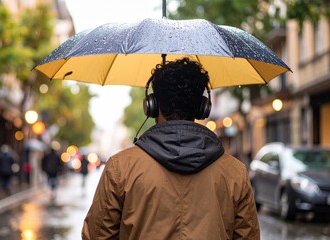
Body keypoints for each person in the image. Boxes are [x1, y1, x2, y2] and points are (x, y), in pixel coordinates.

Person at [82, 58, 260, 239]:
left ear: (151, 105)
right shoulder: (235, 172)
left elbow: (97, 236)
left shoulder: (120, 168)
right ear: (202, 107)